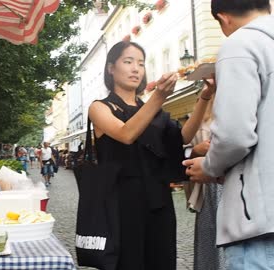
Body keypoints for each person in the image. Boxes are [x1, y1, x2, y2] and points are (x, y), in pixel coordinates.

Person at [87, 41, 214, 269]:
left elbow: (182, 137)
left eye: (141, 64)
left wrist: (205, 97)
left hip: (158, 199)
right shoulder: (100, 108)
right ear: (111, 68)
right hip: (121, 202)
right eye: (128, 62)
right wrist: (159, 96)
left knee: (162, 260)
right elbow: (126, 134)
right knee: (128, 262)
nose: (136, 68)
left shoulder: (154, 109)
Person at [183, 1, 274, 269]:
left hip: (259, 223)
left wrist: (210, 167)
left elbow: (234, 136)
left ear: (223, 19)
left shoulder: (241, 45)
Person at [183, 92, 226, 270]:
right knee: (209, 236)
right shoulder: (201, 113)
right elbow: (183, 149)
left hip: (232, 181)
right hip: (208, 185)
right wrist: (196, 150)